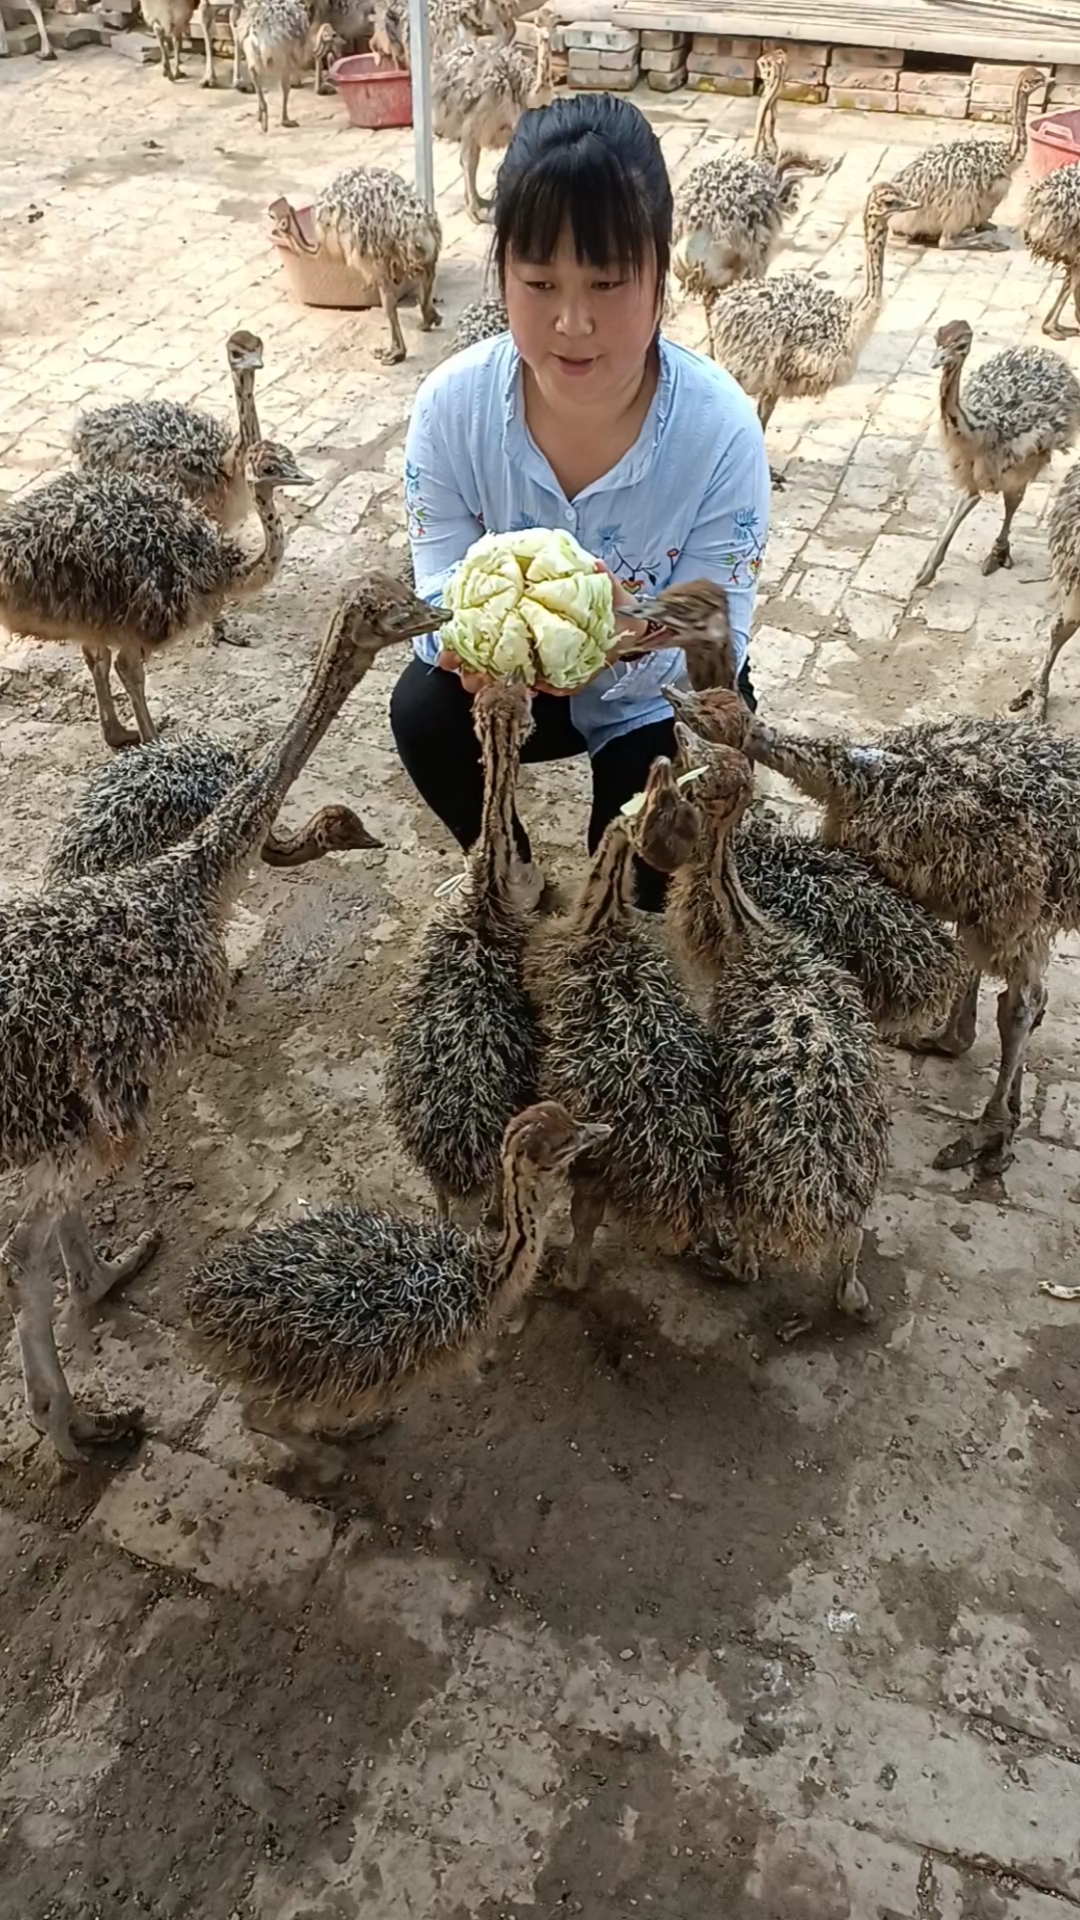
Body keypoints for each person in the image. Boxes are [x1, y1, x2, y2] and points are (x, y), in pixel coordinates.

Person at [390, 91, 770, 910]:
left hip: (654, 686)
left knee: (638, 884)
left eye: (606, 282)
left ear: (661, 273)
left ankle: (630, 856)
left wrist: (615, 625)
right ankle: (507, 863)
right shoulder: (450, 409)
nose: (572, 322)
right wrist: (477, 638)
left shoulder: (722, 430)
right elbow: (434, 587)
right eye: (539, 281)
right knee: (422, 711)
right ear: (501, 274)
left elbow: (716, 622)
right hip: (516, 689)